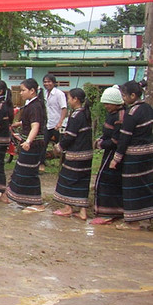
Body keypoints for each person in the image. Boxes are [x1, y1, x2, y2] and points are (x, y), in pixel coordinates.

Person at [110, 80, 153, 229]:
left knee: (131, 187)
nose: (123, 98)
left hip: (134, 155)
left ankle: (133, 222)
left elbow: (124, 138)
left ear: (133, 95)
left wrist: (116, 158)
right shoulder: (148, 108)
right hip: (148, 153)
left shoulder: (131, 113)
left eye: (124, 95)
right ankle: (148, 217)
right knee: (147, 184)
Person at [51, 88, 93, 221]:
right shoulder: (86, 114)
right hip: (87, 154)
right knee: (82, 181)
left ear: (75, 99)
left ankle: (67, 207)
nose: (68, 101)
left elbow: (69, 136)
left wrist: (59, 147)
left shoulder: (75, 116)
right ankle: (82, 211)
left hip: (76, 154)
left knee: (67, 179)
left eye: (69, 98)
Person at [7, 78, 46, 212]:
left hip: (33, 144)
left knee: (29, 173)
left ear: (32, 91)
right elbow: (29, 122)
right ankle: (27, 199)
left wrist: (28, 141)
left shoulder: (35, 106)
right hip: (29, 143)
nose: (21, 93)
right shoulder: (31, 104)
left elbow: (35, 126)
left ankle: (37, 202)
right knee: (23, 171)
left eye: (23, 90)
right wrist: (18, 124)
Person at [90, 85, 125, 225]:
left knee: (105, 182)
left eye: (108, 104)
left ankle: (108, 213)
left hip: (114, 153)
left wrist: (100, 144)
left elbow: (116, 140)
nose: (106, 106)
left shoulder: (120, 116)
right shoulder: (113, 114)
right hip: (108, 151)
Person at [41, 73, 67, 172]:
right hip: (49, 124)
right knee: (43, 143)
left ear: (54, 83)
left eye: (49, 82)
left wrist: (60, 122)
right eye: (45, 82)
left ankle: (63, 164)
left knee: (60, 145)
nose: (47, 84)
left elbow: (64, 108)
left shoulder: (59, 94)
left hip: (58, 124)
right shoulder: (45, 94)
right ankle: (42, 164)